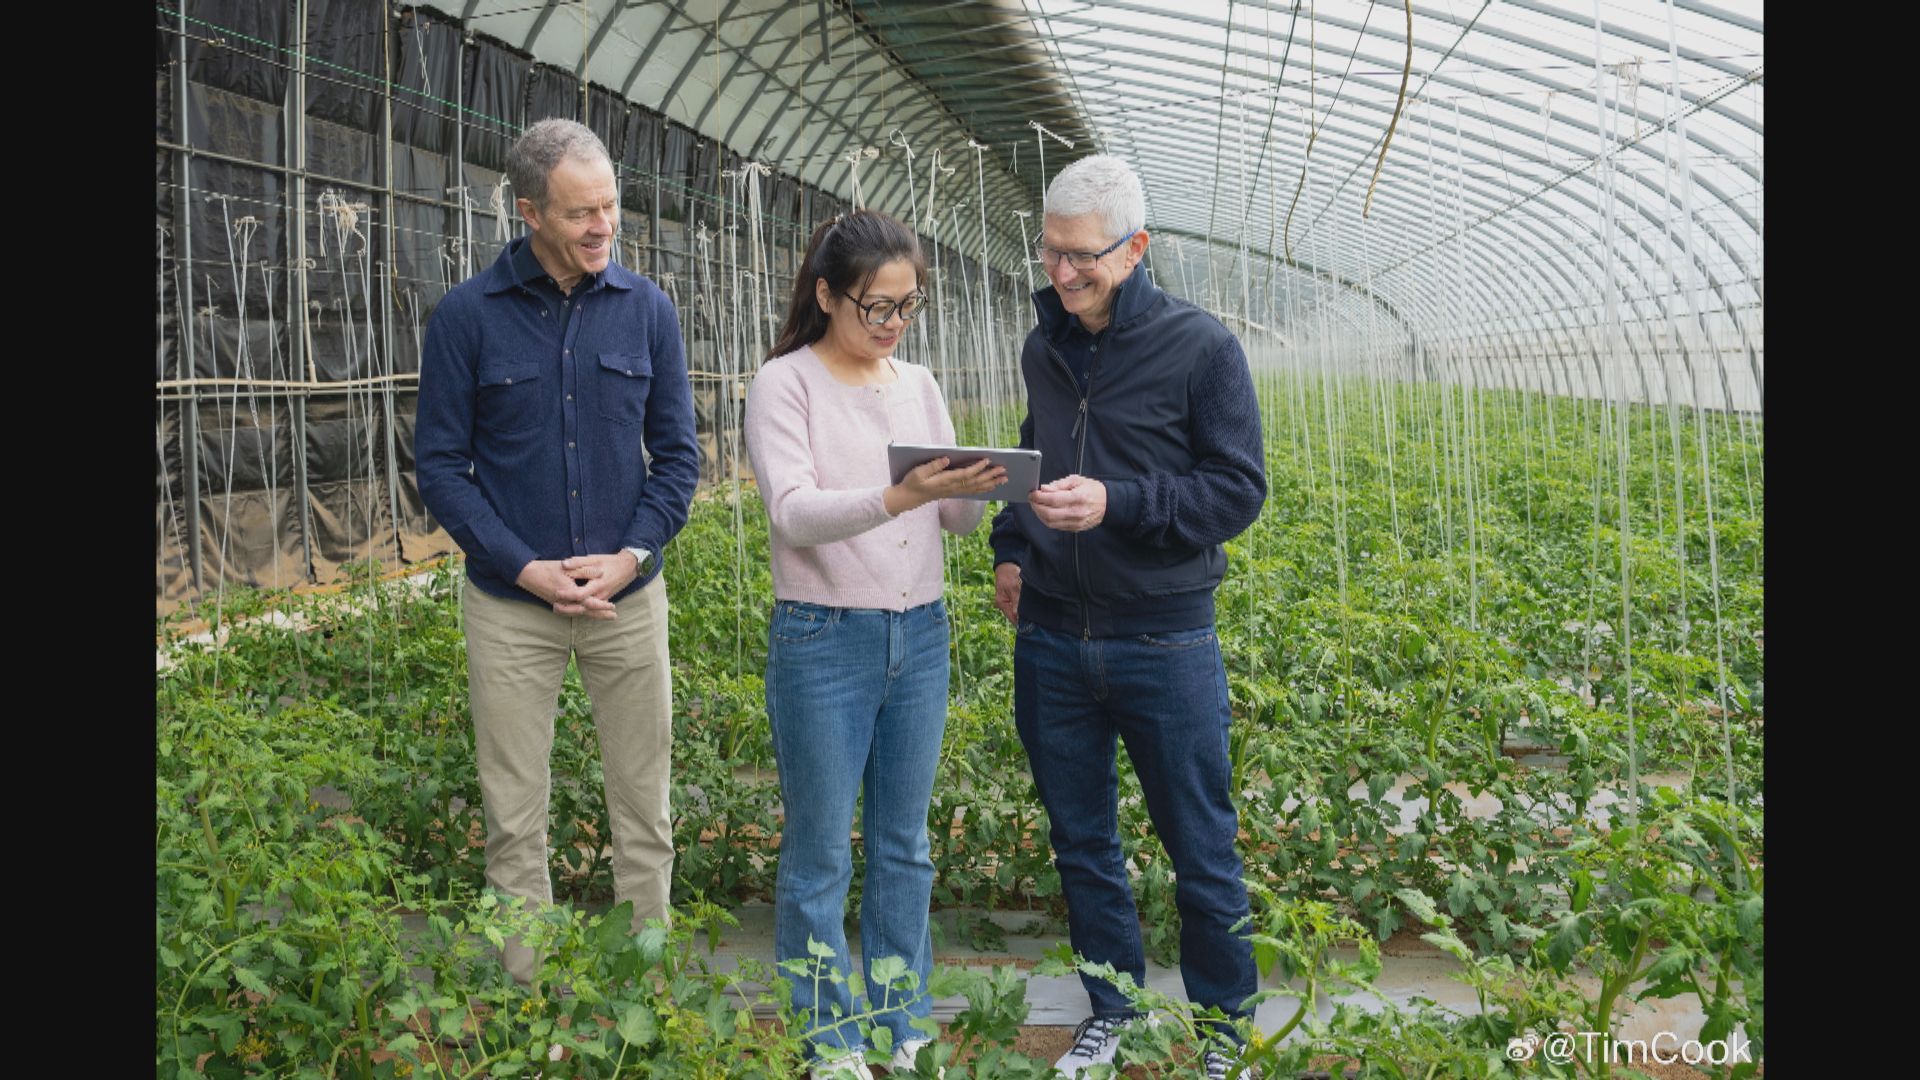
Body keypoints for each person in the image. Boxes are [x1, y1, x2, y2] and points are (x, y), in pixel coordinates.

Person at [986, 154, 1268, 1080]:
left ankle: (1225, 1029)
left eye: (1084, 258)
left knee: (1200, 842)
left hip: (1165, 636)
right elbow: (1031, 455)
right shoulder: (1044, 346)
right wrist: (1013, 549)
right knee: (1083, 841)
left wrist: (1122, 503)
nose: (1063, 275)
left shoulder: (1202, 349)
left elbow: (1236, 491)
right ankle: (1112, 1007)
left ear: (1136, 248)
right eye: (1051, 253)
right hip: (1055, 637)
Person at [414, 118, 700, 985]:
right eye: (581, 212)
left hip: (626, 600)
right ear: (529, 209)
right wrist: (522, 565)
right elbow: (440, 467)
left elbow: (680, 457)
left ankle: (646, 993)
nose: (601, 226)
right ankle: (526, 998)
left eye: (609, 206)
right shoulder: (468, 317)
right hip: (512, 610)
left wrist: (634, 552)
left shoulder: (648, 310)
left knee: (644, 807)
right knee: (513, 815)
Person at [744, 210, 1004, 1080]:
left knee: (904, 843)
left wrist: (974, 485)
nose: (890, 325)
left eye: (905, 307)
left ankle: (901, 1017)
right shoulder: (786, 383)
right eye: (874, 307)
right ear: (826, 294)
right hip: (824, 638)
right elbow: (794, 512)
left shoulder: (918, 383)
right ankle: (829, 1039)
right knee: (819, 850)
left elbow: (955, 521)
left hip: (919, 632)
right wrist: (901, 493)